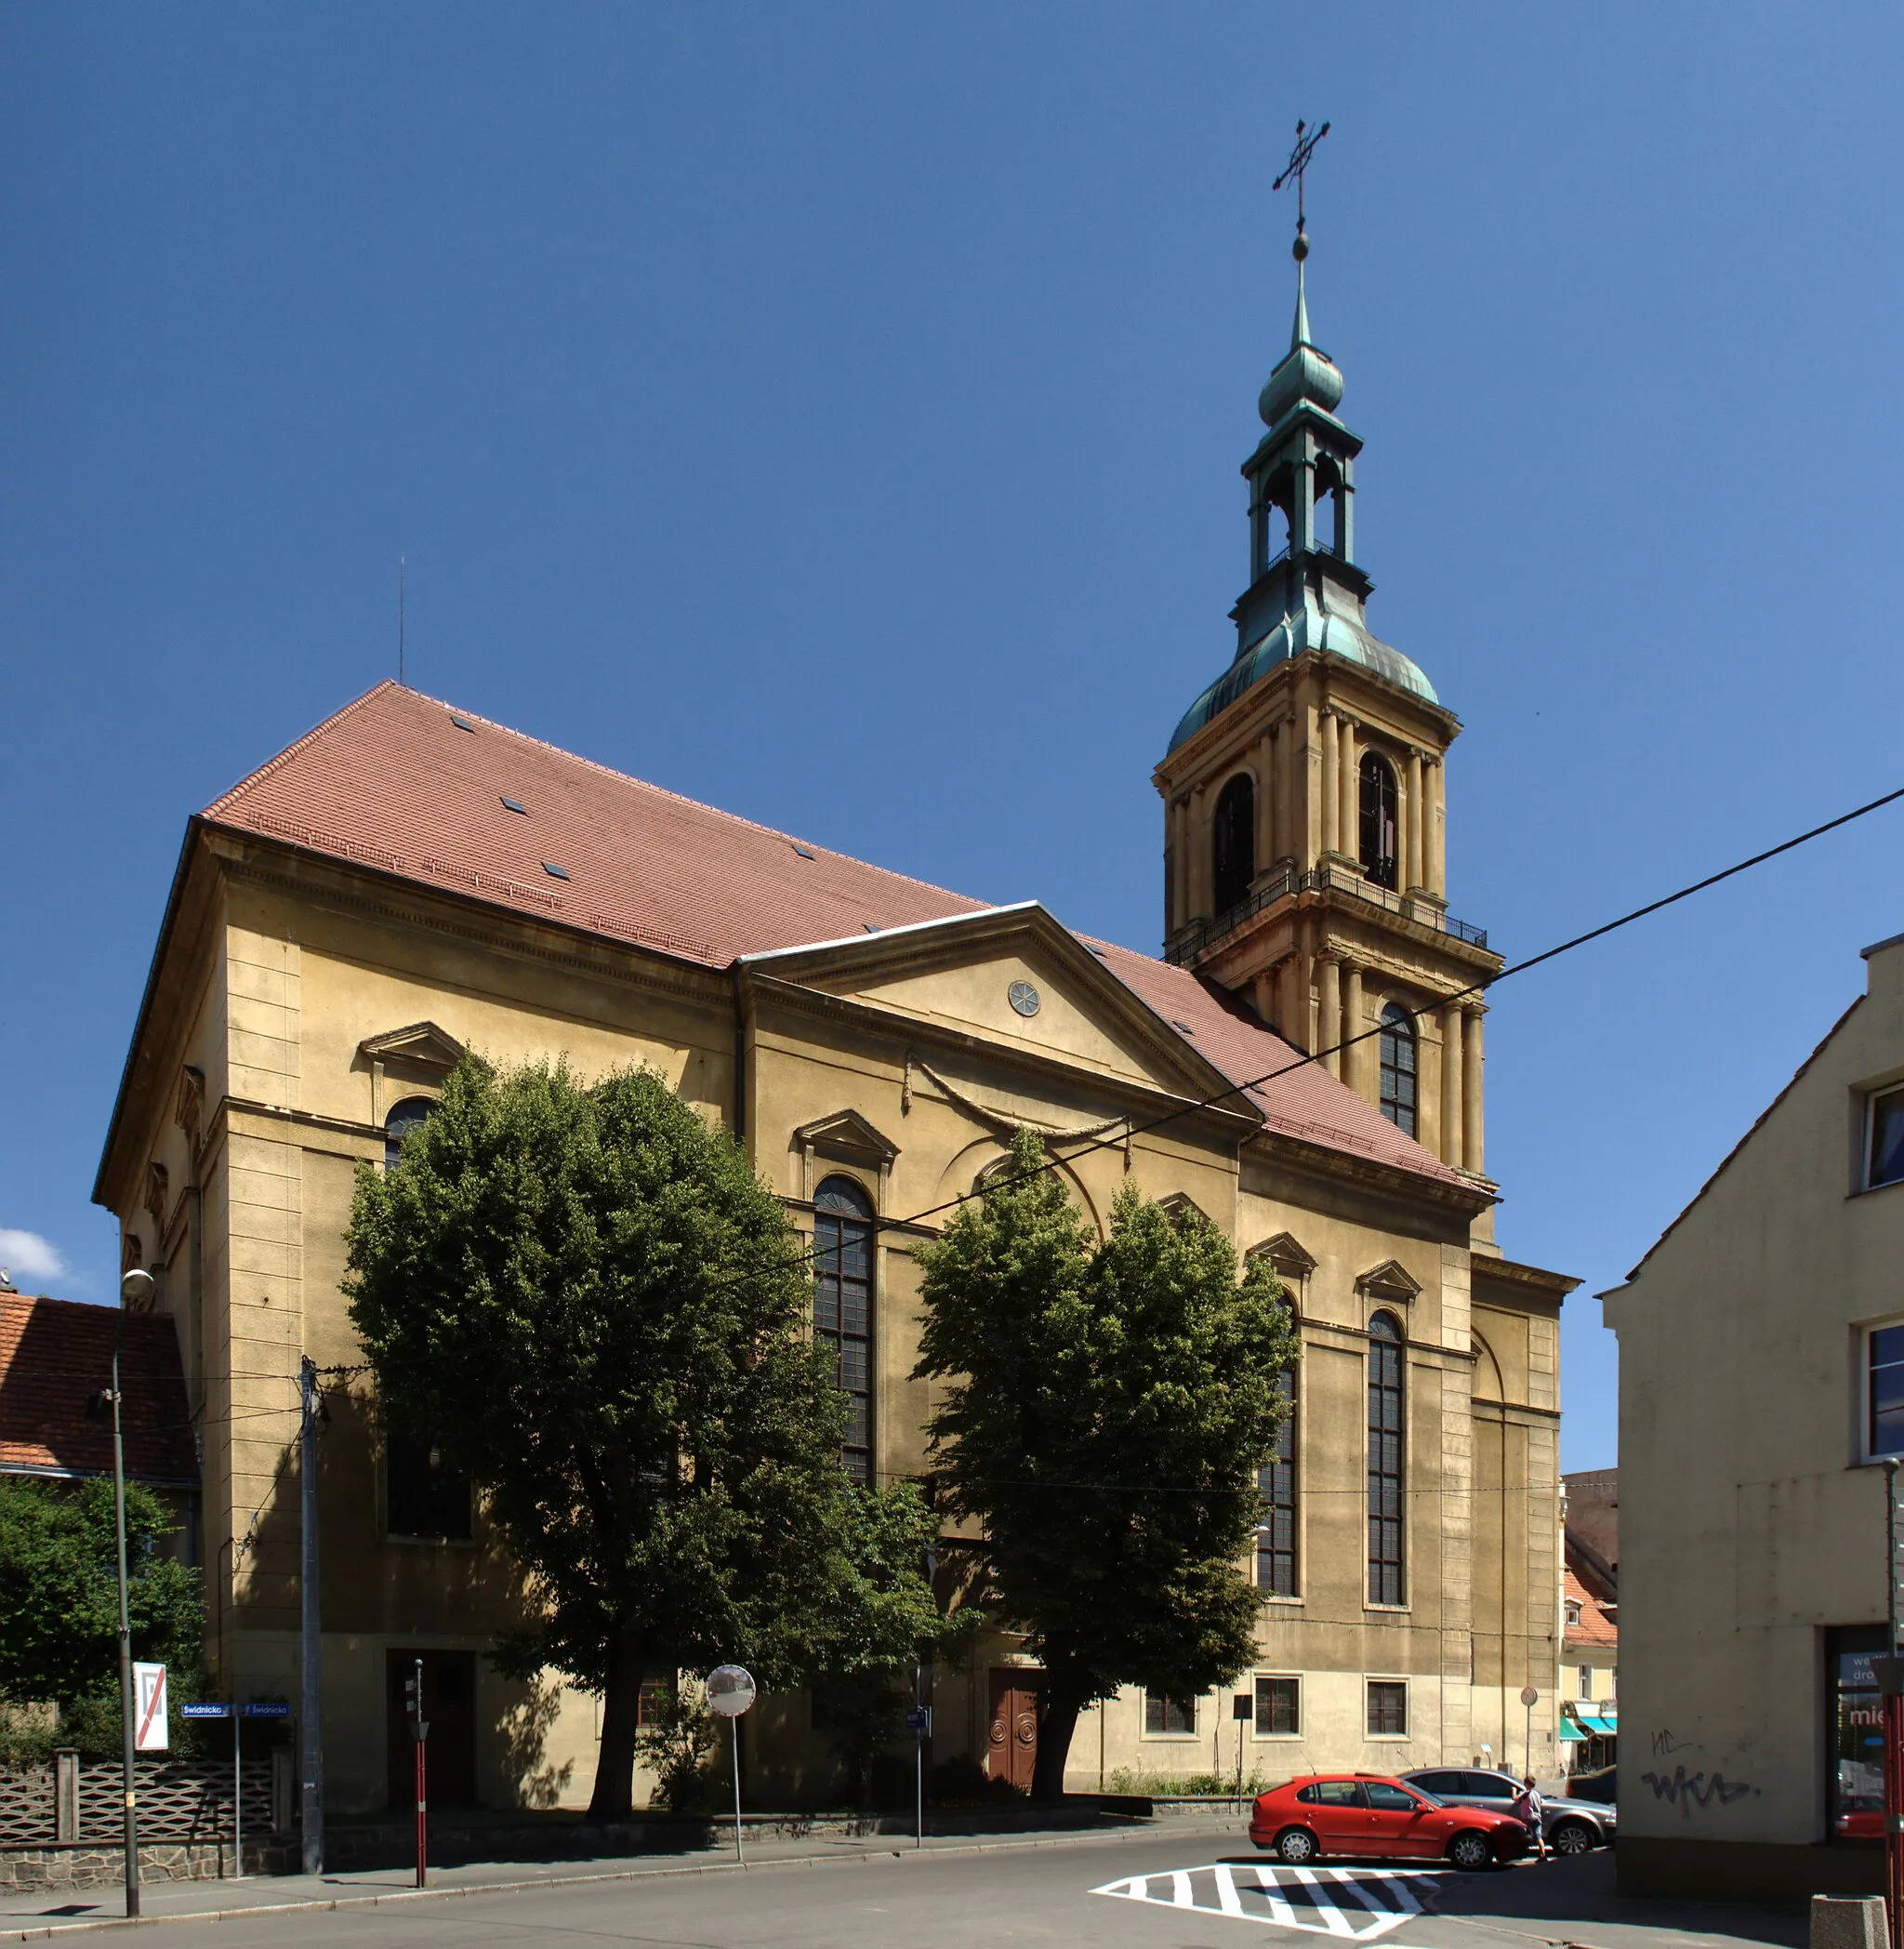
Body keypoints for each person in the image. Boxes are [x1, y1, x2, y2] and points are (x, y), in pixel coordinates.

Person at [1514, 1775, 1547, 1861]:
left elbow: (1515, 1798)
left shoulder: (1526, 1793)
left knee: (1526, 1835)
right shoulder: (1537, 1793)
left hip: (1528, 1817)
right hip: (1537, 1817)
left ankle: (1524, 1851)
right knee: (1538, 1836)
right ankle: (1543, 1855)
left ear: (1527, 1784)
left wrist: (1514, 1791)